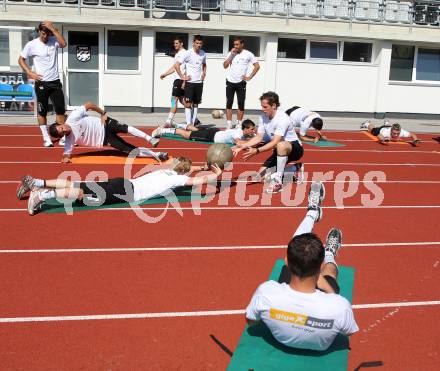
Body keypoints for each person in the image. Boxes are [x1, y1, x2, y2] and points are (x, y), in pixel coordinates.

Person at [246, 181, 359, 351]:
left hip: (281, 341)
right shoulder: (339, 305)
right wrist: (326, 289)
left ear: (286, 262)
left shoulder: (267, 292)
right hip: (320, 349)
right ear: (317, 267)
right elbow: (348, 333)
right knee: (331, 275)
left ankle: (312, 213)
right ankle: (329, 253)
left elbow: (251, 321)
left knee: (298, 248)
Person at [19, 158, 222, 215]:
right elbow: (197, 181)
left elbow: (185, 169)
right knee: (80, 194)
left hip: (121, 182)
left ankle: (36, 183)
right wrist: (214, 174)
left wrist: (202, 166)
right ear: (184, 172)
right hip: (125, 192)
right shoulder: (176, 179)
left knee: (76, 184)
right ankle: (42, 196)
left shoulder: (166, 169)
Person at [233, 91, 304, 193]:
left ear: (274, 105)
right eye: (262, 106)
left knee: (280, 145)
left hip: (294, 149)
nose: (263, 109)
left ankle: (278, 182)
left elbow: (275, 142)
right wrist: (242, 146)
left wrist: (257, 150)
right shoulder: (263, 118)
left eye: (265, 107)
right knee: (261, 178)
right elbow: (259, 137)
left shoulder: (283, 118)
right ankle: (294, 168)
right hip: (279, 150)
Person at [48, 102, 165, 163]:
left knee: (126, 128)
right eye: (62, 133)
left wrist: (103, 113)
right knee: (132, 151)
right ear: (61, 136)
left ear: (61, 123)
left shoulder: (73, 117)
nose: (65, 130)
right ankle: (157, 154)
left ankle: (150, 138)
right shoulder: (69, 140)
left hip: (105, 124)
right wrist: (65, 158)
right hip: (106, 140)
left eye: (62, 128)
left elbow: (89, 104)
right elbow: (66, 153)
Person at [18, 21, 67, 148]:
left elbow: (64, 44)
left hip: (55, 82)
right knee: (42, 111)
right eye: (43, 33)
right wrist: (30, 72)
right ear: (39, 31)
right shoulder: (32, 44)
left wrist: (54, 30)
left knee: (60, 111)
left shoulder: (54, 40)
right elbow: (21, 59)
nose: (45, 36)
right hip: (41, 83)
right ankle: (46, 138)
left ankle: (62, 138)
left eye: (48, 33)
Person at [223, 37, 260, 129]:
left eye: (237, 44)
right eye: (234, 44)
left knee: (241, 103)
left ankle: (239, 124)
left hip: (241, 82)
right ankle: (229, 124)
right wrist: (231, 55)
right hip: (230, 81)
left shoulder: (248, 54)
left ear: (242, 44)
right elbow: (225, 66)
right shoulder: (231, 53)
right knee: (229, 102)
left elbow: (257, 66)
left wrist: (249, 77)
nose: (235, 46)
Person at [174, 35, 206, 129]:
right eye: (197, 43)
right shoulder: (187, 53)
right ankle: (189, 124)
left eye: (200, 43)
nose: (198, 45)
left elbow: (204, 64)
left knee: (196, 103)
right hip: (190, 83)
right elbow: (176, 65)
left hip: (199, 82)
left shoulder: (203, 53)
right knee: (188, 103)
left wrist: (204, 73)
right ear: (193, 43)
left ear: (202, 44)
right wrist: (182, 77)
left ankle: (193, 123)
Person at [152, 119, 257, 145]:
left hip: (215, 132)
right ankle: (162, 130)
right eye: (252, 129)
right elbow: (239, 142)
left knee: (196, 129)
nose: (253, 131)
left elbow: (257, 137)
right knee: (186, 134)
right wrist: (253, 142)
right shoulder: (238, 133)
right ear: (245, 129)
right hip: (210, 136)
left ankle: (176, 124)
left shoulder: (243, 131)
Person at [160, 36, 187, 127]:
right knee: (182, 100)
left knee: (173, 99)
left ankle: (169, 121)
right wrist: (165, 74)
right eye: (174, 43)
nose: (175, 45)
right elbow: (174, 68)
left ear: (181, 43)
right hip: (178, 80)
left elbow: (187, 68)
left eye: (177, 43)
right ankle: (194, 118)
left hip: (180, 80)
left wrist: (183, 80)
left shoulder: (184, 53)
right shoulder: (177, 54)